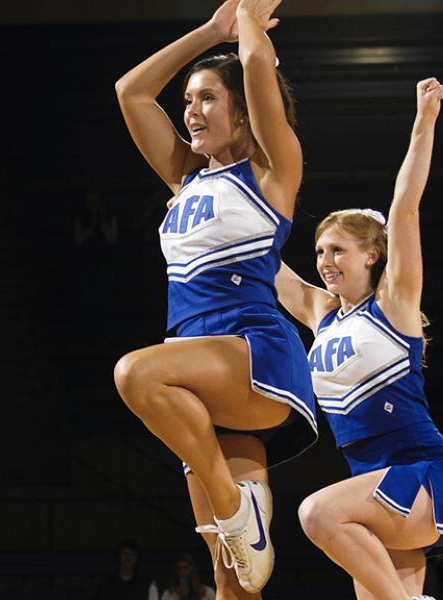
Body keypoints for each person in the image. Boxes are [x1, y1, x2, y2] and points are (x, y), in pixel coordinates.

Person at [111, 0, 310, 595]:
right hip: (198, 378)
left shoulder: (273, 171)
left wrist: (247, 22)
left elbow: (254, 64)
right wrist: (209, 31)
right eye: (189, 100)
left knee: (133, 375)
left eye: (207, 99)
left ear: (244, 113)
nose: (191, 111)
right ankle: (234, 515)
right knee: (234, 583)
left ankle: (234, 507)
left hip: (253, 358)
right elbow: (131, 93)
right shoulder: (184, 176)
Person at [273, 77, 443, 600]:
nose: (324, 262)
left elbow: (405, 205)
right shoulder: (322, 314)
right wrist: (195, 191)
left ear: (370, 255)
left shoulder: (395, 305)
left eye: (337, 250)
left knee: (316, 513)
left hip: (420, 477)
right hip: (371, 486)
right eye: (319, 252)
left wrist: (423, 122)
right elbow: (263, 263)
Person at [148, 554, 214, 600]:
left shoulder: (207, 592)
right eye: (179, 569)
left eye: (186, 568)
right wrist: (176, 596)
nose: (183, 572)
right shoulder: (168, 594)